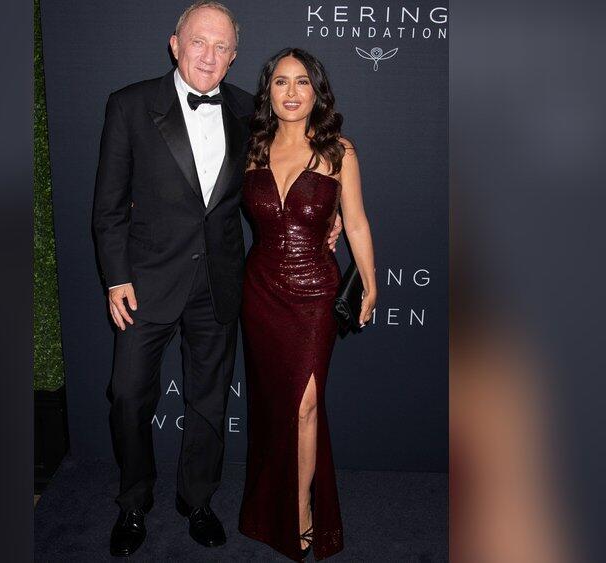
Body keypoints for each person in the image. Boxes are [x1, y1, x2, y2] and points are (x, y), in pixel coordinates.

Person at [91, 3, 342, 557]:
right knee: (128, 396)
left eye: (222, 46)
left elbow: (302, 159)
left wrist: (332, 214)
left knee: (208, 402)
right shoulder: (129, 105)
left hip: (222, 281)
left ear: (234, 56)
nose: (209, 55)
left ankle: (198, 500)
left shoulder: (250, 111)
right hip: (145, 284)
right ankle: (133, 503)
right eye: (199, 42)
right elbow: (107, 206)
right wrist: (116, 277)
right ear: (175, 44)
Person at [238, 48, 377, 561]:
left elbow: (355, 221)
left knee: (305, 404)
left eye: (302, 82)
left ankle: (300, 512)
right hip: (260, 291)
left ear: (317, 92)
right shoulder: (253, 149)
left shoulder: (339, 151)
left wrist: (370, 282)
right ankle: (266, 509)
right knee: (273, 404)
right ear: (268, 92)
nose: (292, 92)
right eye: (281, 82)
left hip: (315, 291)